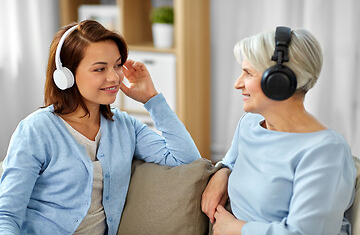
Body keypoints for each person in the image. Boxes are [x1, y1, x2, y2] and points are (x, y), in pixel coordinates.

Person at [0, 20, 201, 234]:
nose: (114, 77)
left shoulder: (125, 126)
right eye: (99, 69)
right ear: (65, 76)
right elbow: (7, 215)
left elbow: (187, 159)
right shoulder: (36, 130)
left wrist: (152, 100)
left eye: (116, 65)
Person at [201, 26, 357, 235]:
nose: (237, 84)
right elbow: (232, 159)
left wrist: (238, 230)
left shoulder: (326, 151)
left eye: (248, 73)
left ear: (278, 81)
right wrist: (222, 171)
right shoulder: (249, 123)